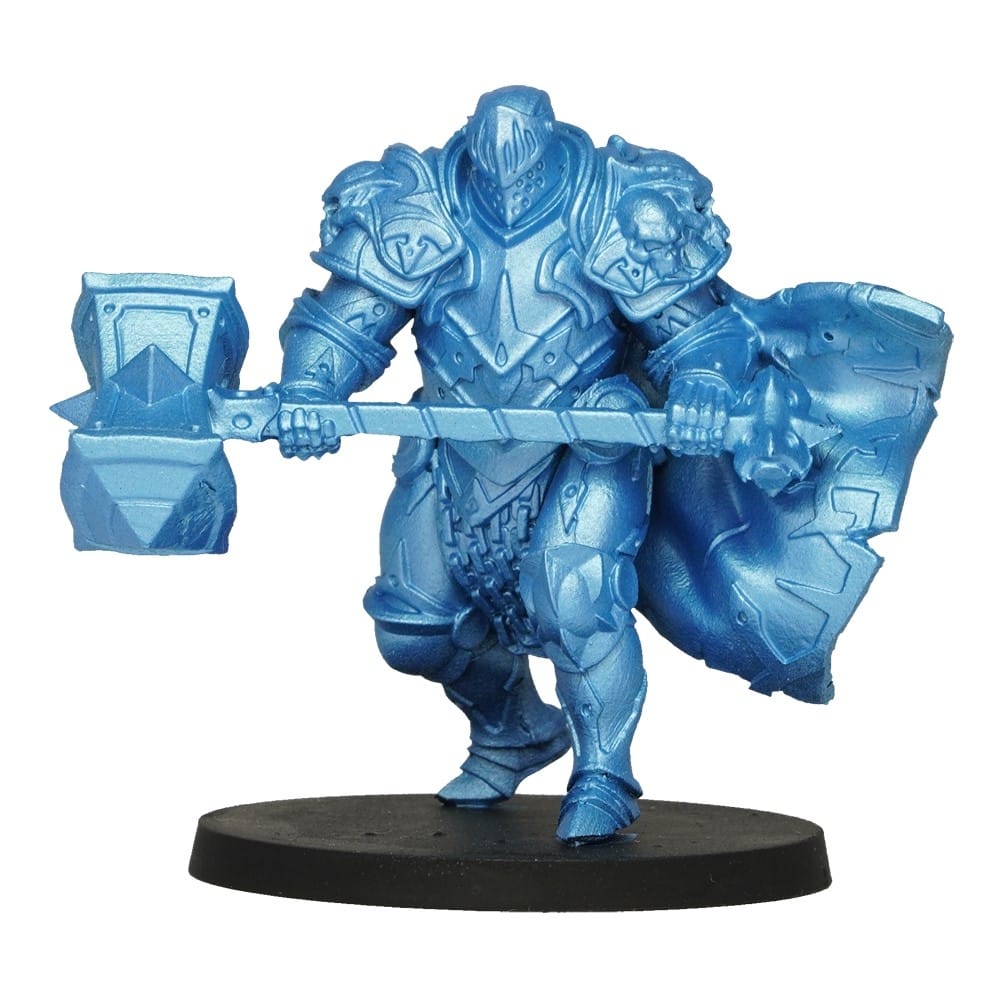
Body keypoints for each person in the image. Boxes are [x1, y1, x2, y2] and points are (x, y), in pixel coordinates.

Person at [275, 86, 758, 843]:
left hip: (589, 443)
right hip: (452, 446)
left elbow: (696, 331)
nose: (507, 189)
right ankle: (514, 730)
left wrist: (700, 384)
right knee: (413, 628)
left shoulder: (615, 202)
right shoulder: (417, 201)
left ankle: (603, 775)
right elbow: (348, 318)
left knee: (575, 601)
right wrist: (310, 388)